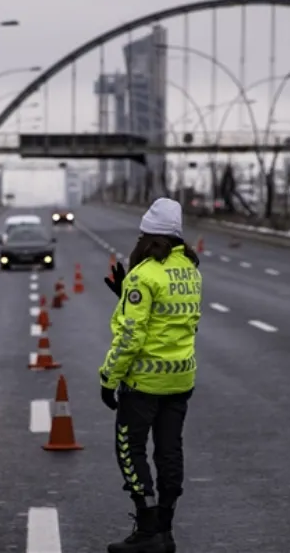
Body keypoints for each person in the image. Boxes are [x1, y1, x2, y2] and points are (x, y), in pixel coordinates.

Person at [99, 197, 202, 553]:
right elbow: (173, 322)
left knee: (130, 449)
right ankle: (165, 529)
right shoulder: (191, 271)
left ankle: (146, 530)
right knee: (170, 452)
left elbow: (131, 336)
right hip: (180, 379)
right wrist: (124, 295)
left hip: (143, 382)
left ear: (147, 236)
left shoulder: (143, 275)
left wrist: (108, 378)